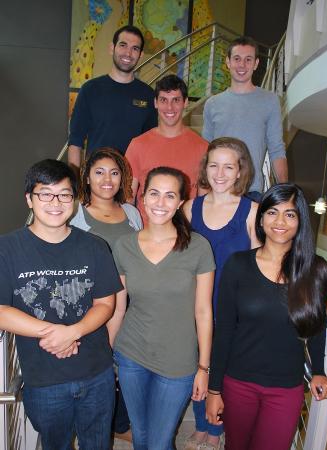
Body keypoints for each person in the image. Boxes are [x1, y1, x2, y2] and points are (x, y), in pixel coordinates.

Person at [0, 159, 123, 450]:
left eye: (64, 194)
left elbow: (106, 303)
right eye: (45, 193)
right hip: (43, 379)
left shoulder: (95, 246)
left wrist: (74, 331)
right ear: (29, 199)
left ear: (75, 200)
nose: (55, 202)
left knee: (98, 445)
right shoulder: (7, 248)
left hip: (97, 373)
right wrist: (55, 332)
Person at [206, 183, 327, 450]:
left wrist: (320, 373)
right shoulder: (238, 265)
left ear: (300, 220)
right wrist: (214, 390)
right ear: (261, 218)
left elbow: (316, 325)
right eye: (272, 212)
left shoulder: (316, 270)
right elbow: (225, 330)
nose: (280, 221)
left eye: (290, 214)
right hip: (238, 381)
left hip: (286, 388)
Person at [108, 166, 215, 450]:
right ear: (142, 197)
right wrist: (107, 353)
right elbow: (118, 309)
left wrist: (204, 368)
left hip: (178, 361)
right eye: (154, 193)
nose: (160, 202)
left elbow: (203, 312)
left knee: (159, 441)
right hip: (131, 355)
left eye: (170, 196)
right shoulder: (123, 246)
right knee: (140, 436)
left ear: (181, 202)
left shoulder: (198, 247)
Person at [183, 137, 259, 450]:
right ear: (205, 167)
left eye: (229, 166)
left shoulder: (253, 211)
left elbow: (259, 267)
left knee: (223, 369)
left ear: (241, 171)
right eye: (214, 165)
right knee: (197, 366)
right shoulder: (190, 208)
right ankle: (202, 423)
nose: (220, 172)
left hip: (234, 309)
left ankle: (217, 428)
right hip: (195, 305)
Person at [70, 147, 142, 442]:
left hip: (129, 300)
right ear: (86, 177)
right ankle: (84, 423)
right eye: (99, 172)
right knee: (94, 364)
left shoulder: (132, 212)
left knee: (124, 361)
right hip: (90, 303)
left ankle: (120, 423)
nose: (107, 179)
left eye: (114, 173)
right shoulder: (74, 212)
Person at [202, 36, 288, 199]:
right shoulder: (212, 104)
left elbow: (276, 148)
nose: (242, 65)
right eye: (237, 59)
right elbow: (205, 152)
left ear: (256, 64)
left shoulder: (270, 101)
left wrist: (284, 193)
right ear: (228, 62)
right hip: (218, 191)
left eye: (248, 59)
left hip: (253, 192)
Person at [68, 25, 157, 172]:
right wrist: (75, 184)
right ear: (112, 48)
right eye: (123, 45)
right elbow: (75, 141)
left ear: (140, 55)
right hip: (97, 180)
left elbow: (150, 144)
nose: (128, 53)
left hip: (132, 182)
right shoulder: (90, 90)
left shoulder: (148, 95)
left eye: (135, 48)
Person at [126, 74, 208, 221]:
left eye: (176, 100)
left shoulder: (202, 147)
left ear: (185, 102)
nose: (169, 107)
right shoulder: (137, 145)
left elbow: (204, 202)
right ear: (156, 103)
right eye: (163, 100)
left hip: (186, 233)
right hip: (146, 233)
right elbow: (128, 199)